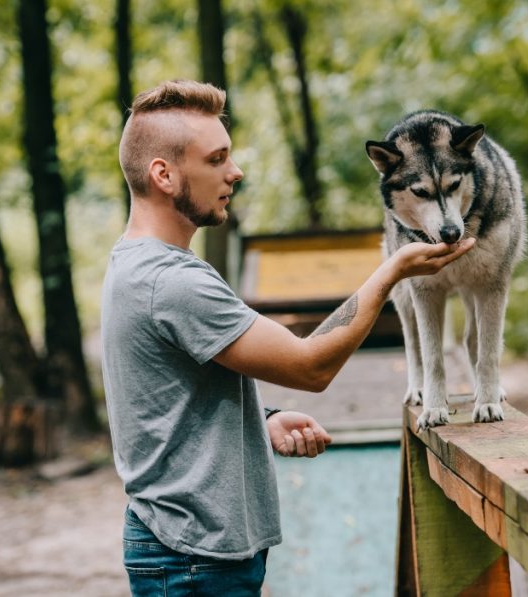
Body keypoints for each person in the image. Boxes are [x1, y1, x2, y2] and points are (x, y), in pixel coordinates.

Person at [101, 79, 475, 596]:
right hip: (192, 560)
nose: (236, 172)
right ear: (164, 175)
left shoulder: (141, 264)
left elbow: (162, 402)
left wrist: (263, 421)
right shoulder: (171, 281)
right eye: (216, 160)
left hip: (192, 551)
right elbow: (310, 366)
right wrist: (392, 270)